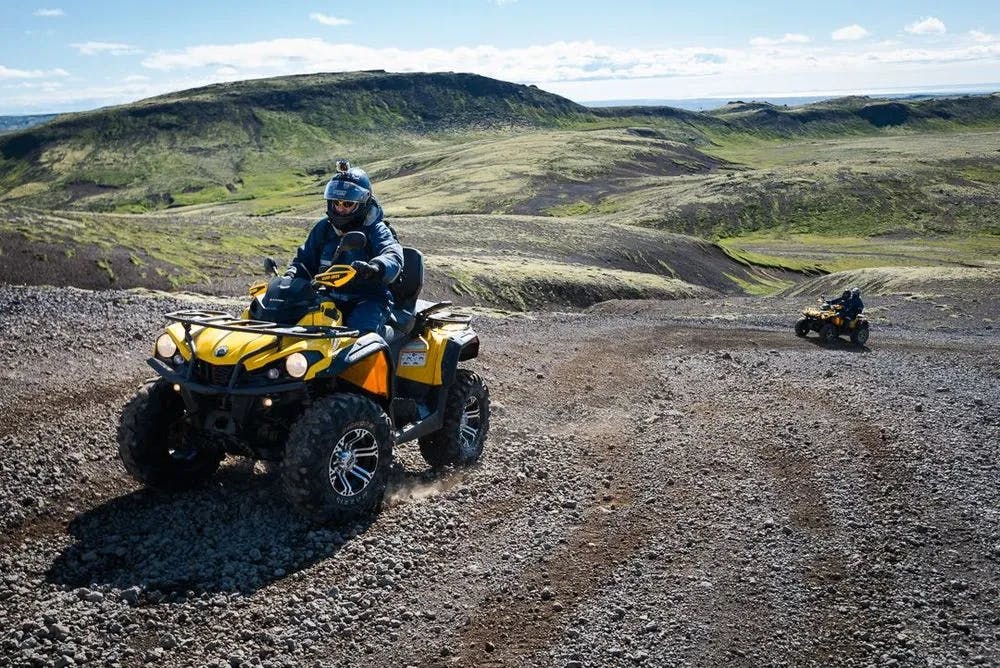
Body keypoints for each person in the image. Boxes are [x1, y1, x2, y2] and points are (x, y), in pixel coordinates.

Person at [284, 159, 403, 338]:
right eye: (336, 202)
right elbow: (304, 261)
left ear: (362, 202)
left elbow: (392, 253)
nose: (341, 208)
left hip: (369, 298)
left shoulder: (376, 229)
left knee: (358, 337)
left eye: (348, 204)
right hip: (329, 296)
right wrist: (291, 276)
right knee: (292, 328)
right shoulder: (323, 228)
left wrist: (375, 268)